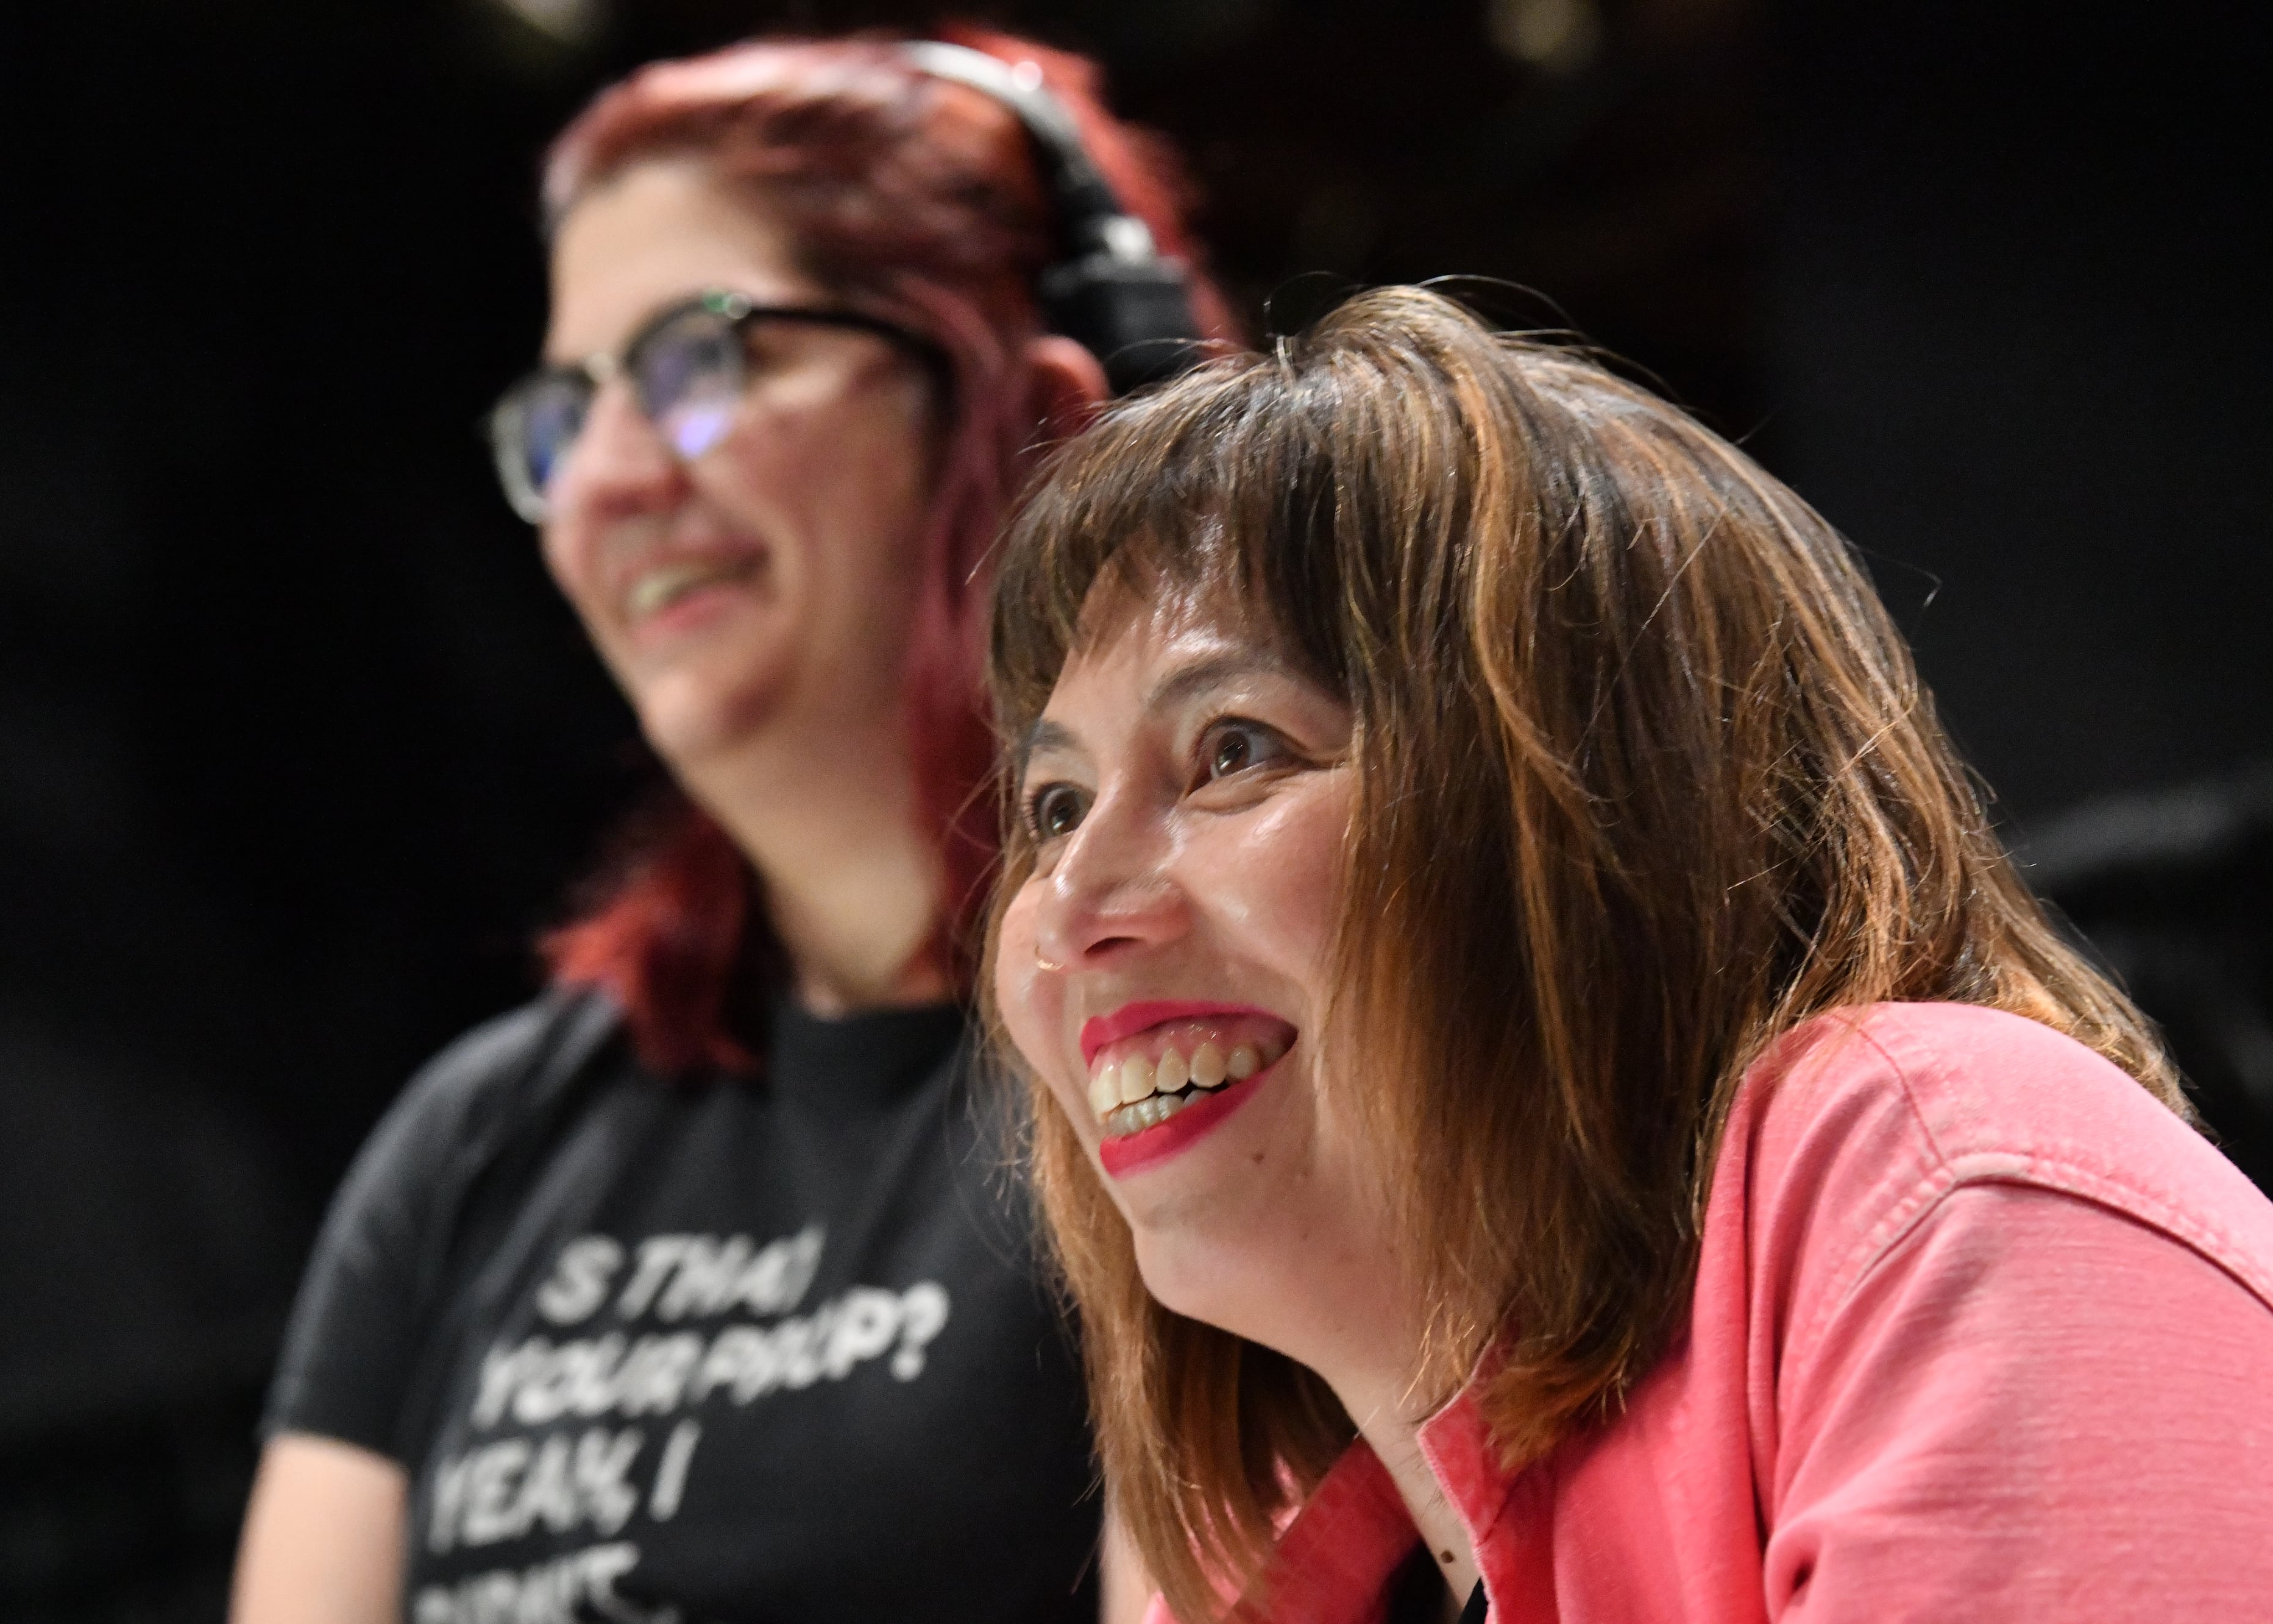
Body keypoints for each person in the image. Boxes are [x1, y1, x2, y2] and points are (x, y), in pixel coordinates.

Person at [984, 285, 2273, 1623]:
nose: (1069, 906)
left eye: (1234, 750)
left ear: (1597, 813)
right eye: (1055, 806)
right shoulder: (1263, 1561)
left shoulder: (1936, 1178)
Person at [231, 30, 1235, 1624]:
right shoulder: (480, 1143)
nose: (607, 482)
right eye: (566, 411)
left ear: (1026, 403)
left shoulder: (1199, 1041)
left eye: (701, 360)